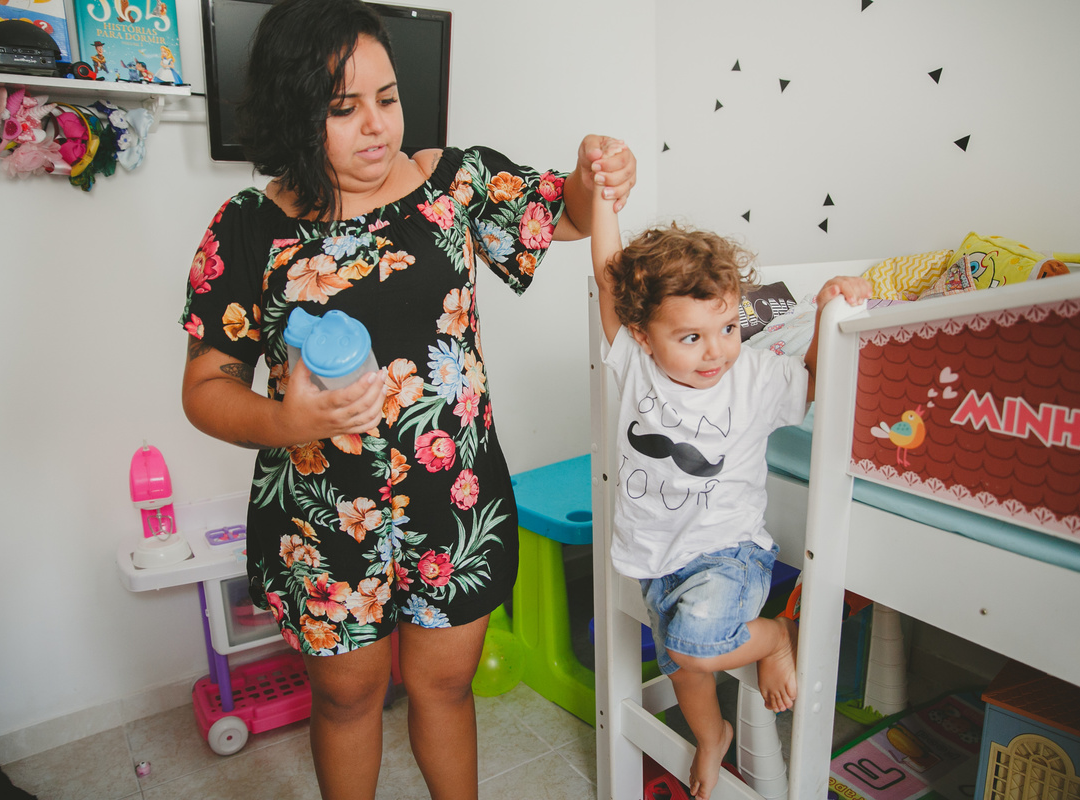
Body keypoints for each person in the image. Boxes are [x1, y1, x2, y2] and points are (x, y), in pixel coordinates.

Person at [178, 1, 636, 798]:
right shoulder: (248, 229)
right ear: (295, 112)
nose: (376, 127)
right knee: (348, 699)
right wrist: (287, 420)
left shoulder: (451, 183)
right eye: (343, 108)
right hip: (321, 521)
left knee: (445, 689)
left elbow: (567, 212)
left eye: (386, 98)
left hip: (452, 502)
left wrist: (598, 168)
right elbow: (206, 388)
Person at [589, 160, 869, 800]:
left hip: (728, 552)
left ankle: (775, 635)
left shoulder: (755, 377)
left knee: (691, 643)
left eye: (728, 328)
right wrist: (604, 194)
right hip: (658, 560)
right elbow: (607, 279)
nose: (716, 350)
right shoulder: (634, 365)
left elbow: (819, 378)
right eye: (691, 336)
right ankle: (712, 737)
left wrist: (832, 311)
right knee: (685, 667)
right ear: (642, 334)